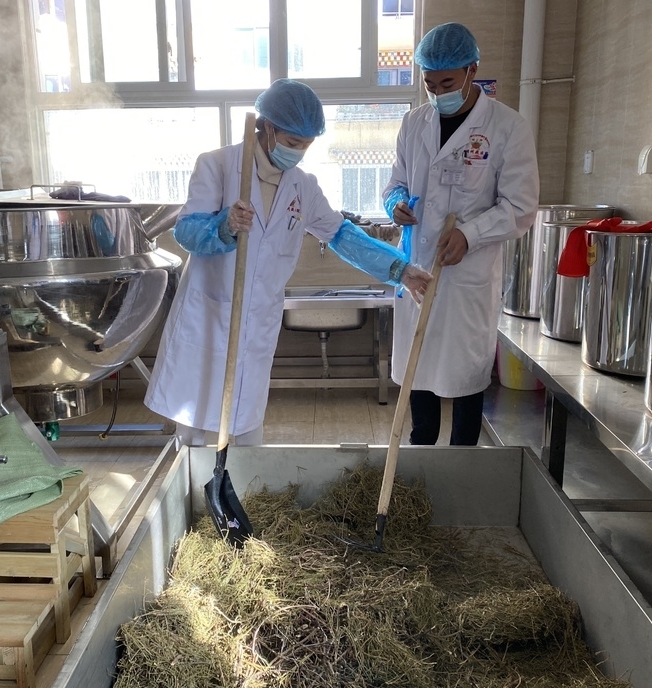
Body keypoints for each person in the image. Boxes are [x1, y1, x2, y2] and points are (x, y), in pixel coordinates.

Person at [145, 78, 432, 448]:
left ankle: (243, 481)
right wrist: (224, 225)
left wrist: (401, 270)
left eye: (306, 145)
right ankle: (196, 481)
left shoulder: (303, 186)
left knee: (247, 429)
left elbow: (341, 234)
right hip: (209, 318)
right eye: (293, 143)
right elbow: (187, 231)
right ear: (267, 127)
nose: (298, 152)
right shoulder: (218, 165)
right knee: (195, 431)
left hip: (257, 323)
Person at [383, 22, 539, 446]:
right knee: (418, 371)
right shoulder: (414, 122)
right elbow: (396, 182)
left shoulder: (507, 127)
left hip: (466, 275)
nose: (437, 93)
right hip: (419, 266)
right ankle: (420, 455)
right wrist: (395, 202)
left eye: (447, 83)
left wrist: (471, 234)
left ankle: (464, 462)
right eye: (430, 84)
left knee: (465, 378)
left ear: (472, 70)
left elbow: (520, 207)